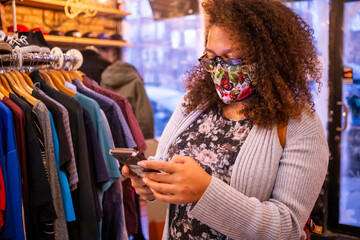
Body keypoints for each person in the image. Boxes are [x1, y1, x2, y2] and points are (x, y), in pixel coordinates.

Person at [122, 0, 329, 239]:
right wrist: (151, 184)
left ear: (269, 58)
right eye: (211, 58)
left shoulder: (299, 123)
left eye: (231, 59)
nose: (220, 71)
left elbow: (288, 227)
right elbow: (167, 168)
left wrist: (206, 192)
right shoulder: (194, 103)